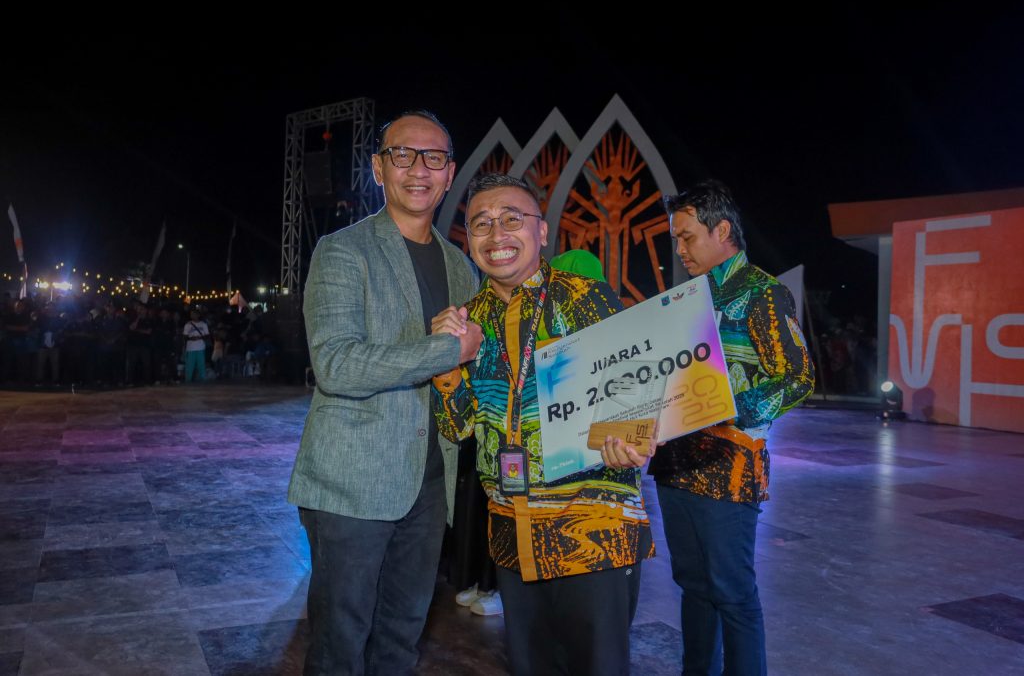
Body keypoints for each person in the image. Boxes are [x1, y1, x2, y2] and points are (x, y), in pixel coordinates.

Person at [433, 174, 653, 676]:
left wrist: (632, 437)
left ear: (542, 231)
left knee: (598, 666)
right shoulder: (469, 320)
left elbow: (634, 387)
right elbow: (457, 427)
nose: (497, 234)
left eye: (512, 219)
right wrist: (446, 360)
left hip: (592, 527)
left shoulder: (586, 297)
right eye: (482, 224)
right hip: (512, 530)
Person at [287, 110, 481, 676]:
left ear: (450, 174)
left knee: (401, 637)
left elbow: (469, 373)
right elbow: (336, 364)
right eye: (402, 154)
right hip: (353, 484)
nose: (418, 168)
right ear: (378, 168)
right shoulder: (342, 250)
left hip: (430, 483)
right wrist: (445, 350)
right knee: (339, 645)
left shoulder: (460, 267)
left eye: (434, 158)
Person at [649, 180, 815, 675]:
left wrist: (725, 408)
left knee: (732, 592)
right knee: (692, 584)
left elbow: (798, 377)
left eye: (688, 237)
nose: (680, 250)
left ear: (722, 231)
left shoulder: (763, 294)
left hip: (729, 467)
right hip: (675, 464)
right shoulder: (686, 298)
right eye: (676, 240)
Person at [182, 308, 209, 382]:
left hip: (200, 347)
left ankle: (203, 380)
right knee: (190, 365)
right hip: (190, 348)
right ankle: (188, 380)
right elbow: (185, 336)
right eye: (191, 314)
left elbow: (207, 335)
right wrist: (191, 338)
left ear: (198, 315)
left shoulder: (203, 324)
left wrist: (199, 337)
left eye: (194, 314)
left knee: (201, 365)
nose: (192, 315)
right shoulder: (187, 325)